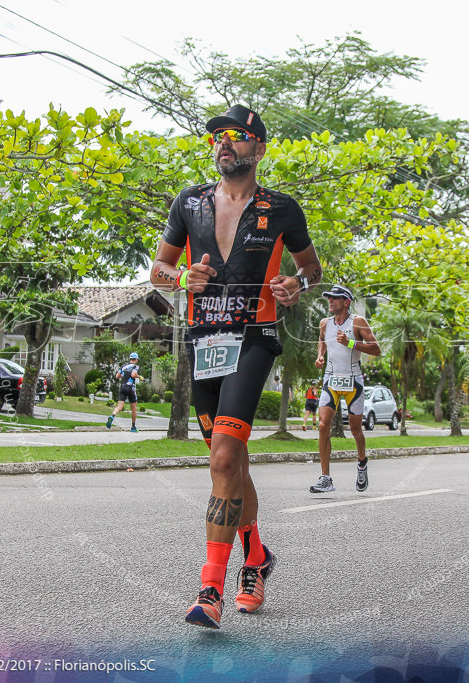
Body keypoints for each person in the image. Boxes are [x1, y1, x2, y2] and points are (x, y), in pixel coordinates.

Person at [149, 104, 322, 629]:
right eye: (219, 136)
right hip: (205, 344)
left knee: (224, 458)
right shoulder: (189, 203)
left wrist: (299, 286)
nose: (225, 143)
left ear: (259, 149)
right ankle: (257, 556)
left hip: (254, 339)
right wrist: (182, 282)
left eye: (238, 136)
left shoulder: (282, 208)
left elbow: (310, 269)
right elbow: (159, 270)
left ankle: (210, 589)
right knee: (231, 461)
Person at [310, 284, 382, 494]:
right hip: (331, 378)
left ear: (346, 302)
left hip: (353, 380)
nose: (330, 301)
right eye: (329, 298)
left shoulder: (358, 322)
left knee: (355, 430)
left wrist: (350, 343)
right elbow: (322, 339)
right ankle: (325, 478)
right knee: (323, 425)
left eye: (335, 298)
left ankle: (361, 463)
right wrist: (320, 355)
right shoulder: (325, 323)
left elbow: (376, 349)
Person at [107, 352, 141, 432]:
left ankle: (112, 415)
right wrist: (139, 377)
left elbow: (117, 376)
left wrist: (124, 376)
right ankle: (133, 427)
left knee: (120, 406)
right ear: (136, 359)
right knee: (133, 407)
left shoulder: (123, 366)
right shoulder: (136, 366)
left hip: (123, 387)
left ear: (130, 359)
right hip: (130, 388)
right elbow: (133, 374)